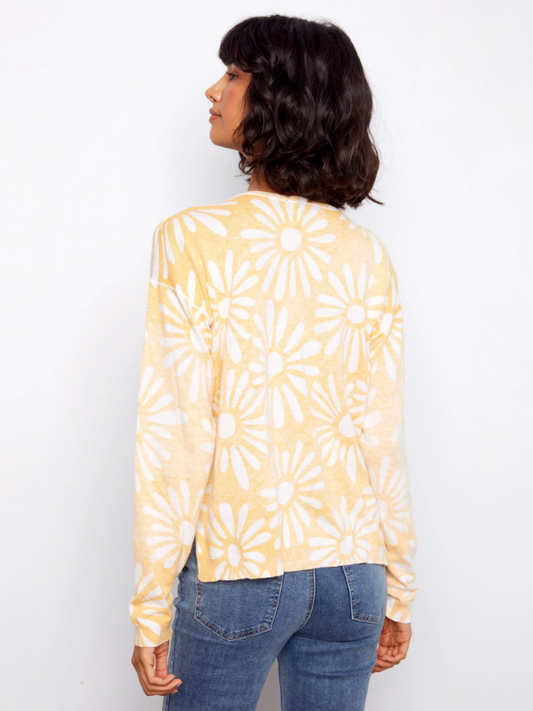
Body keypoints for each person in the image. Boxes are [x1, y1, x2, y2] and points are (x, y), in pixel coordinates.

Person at [130, 13, 417, 710]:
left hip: (240, 565)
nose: (213, 90)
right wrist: (399, 588)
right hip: (353, 574)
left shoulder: (192, 240)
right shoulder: (366, 254)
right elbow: (379, 434)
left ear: (281, 96)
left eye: (233, 74)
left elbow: (177, 435)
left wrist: (150, 606)